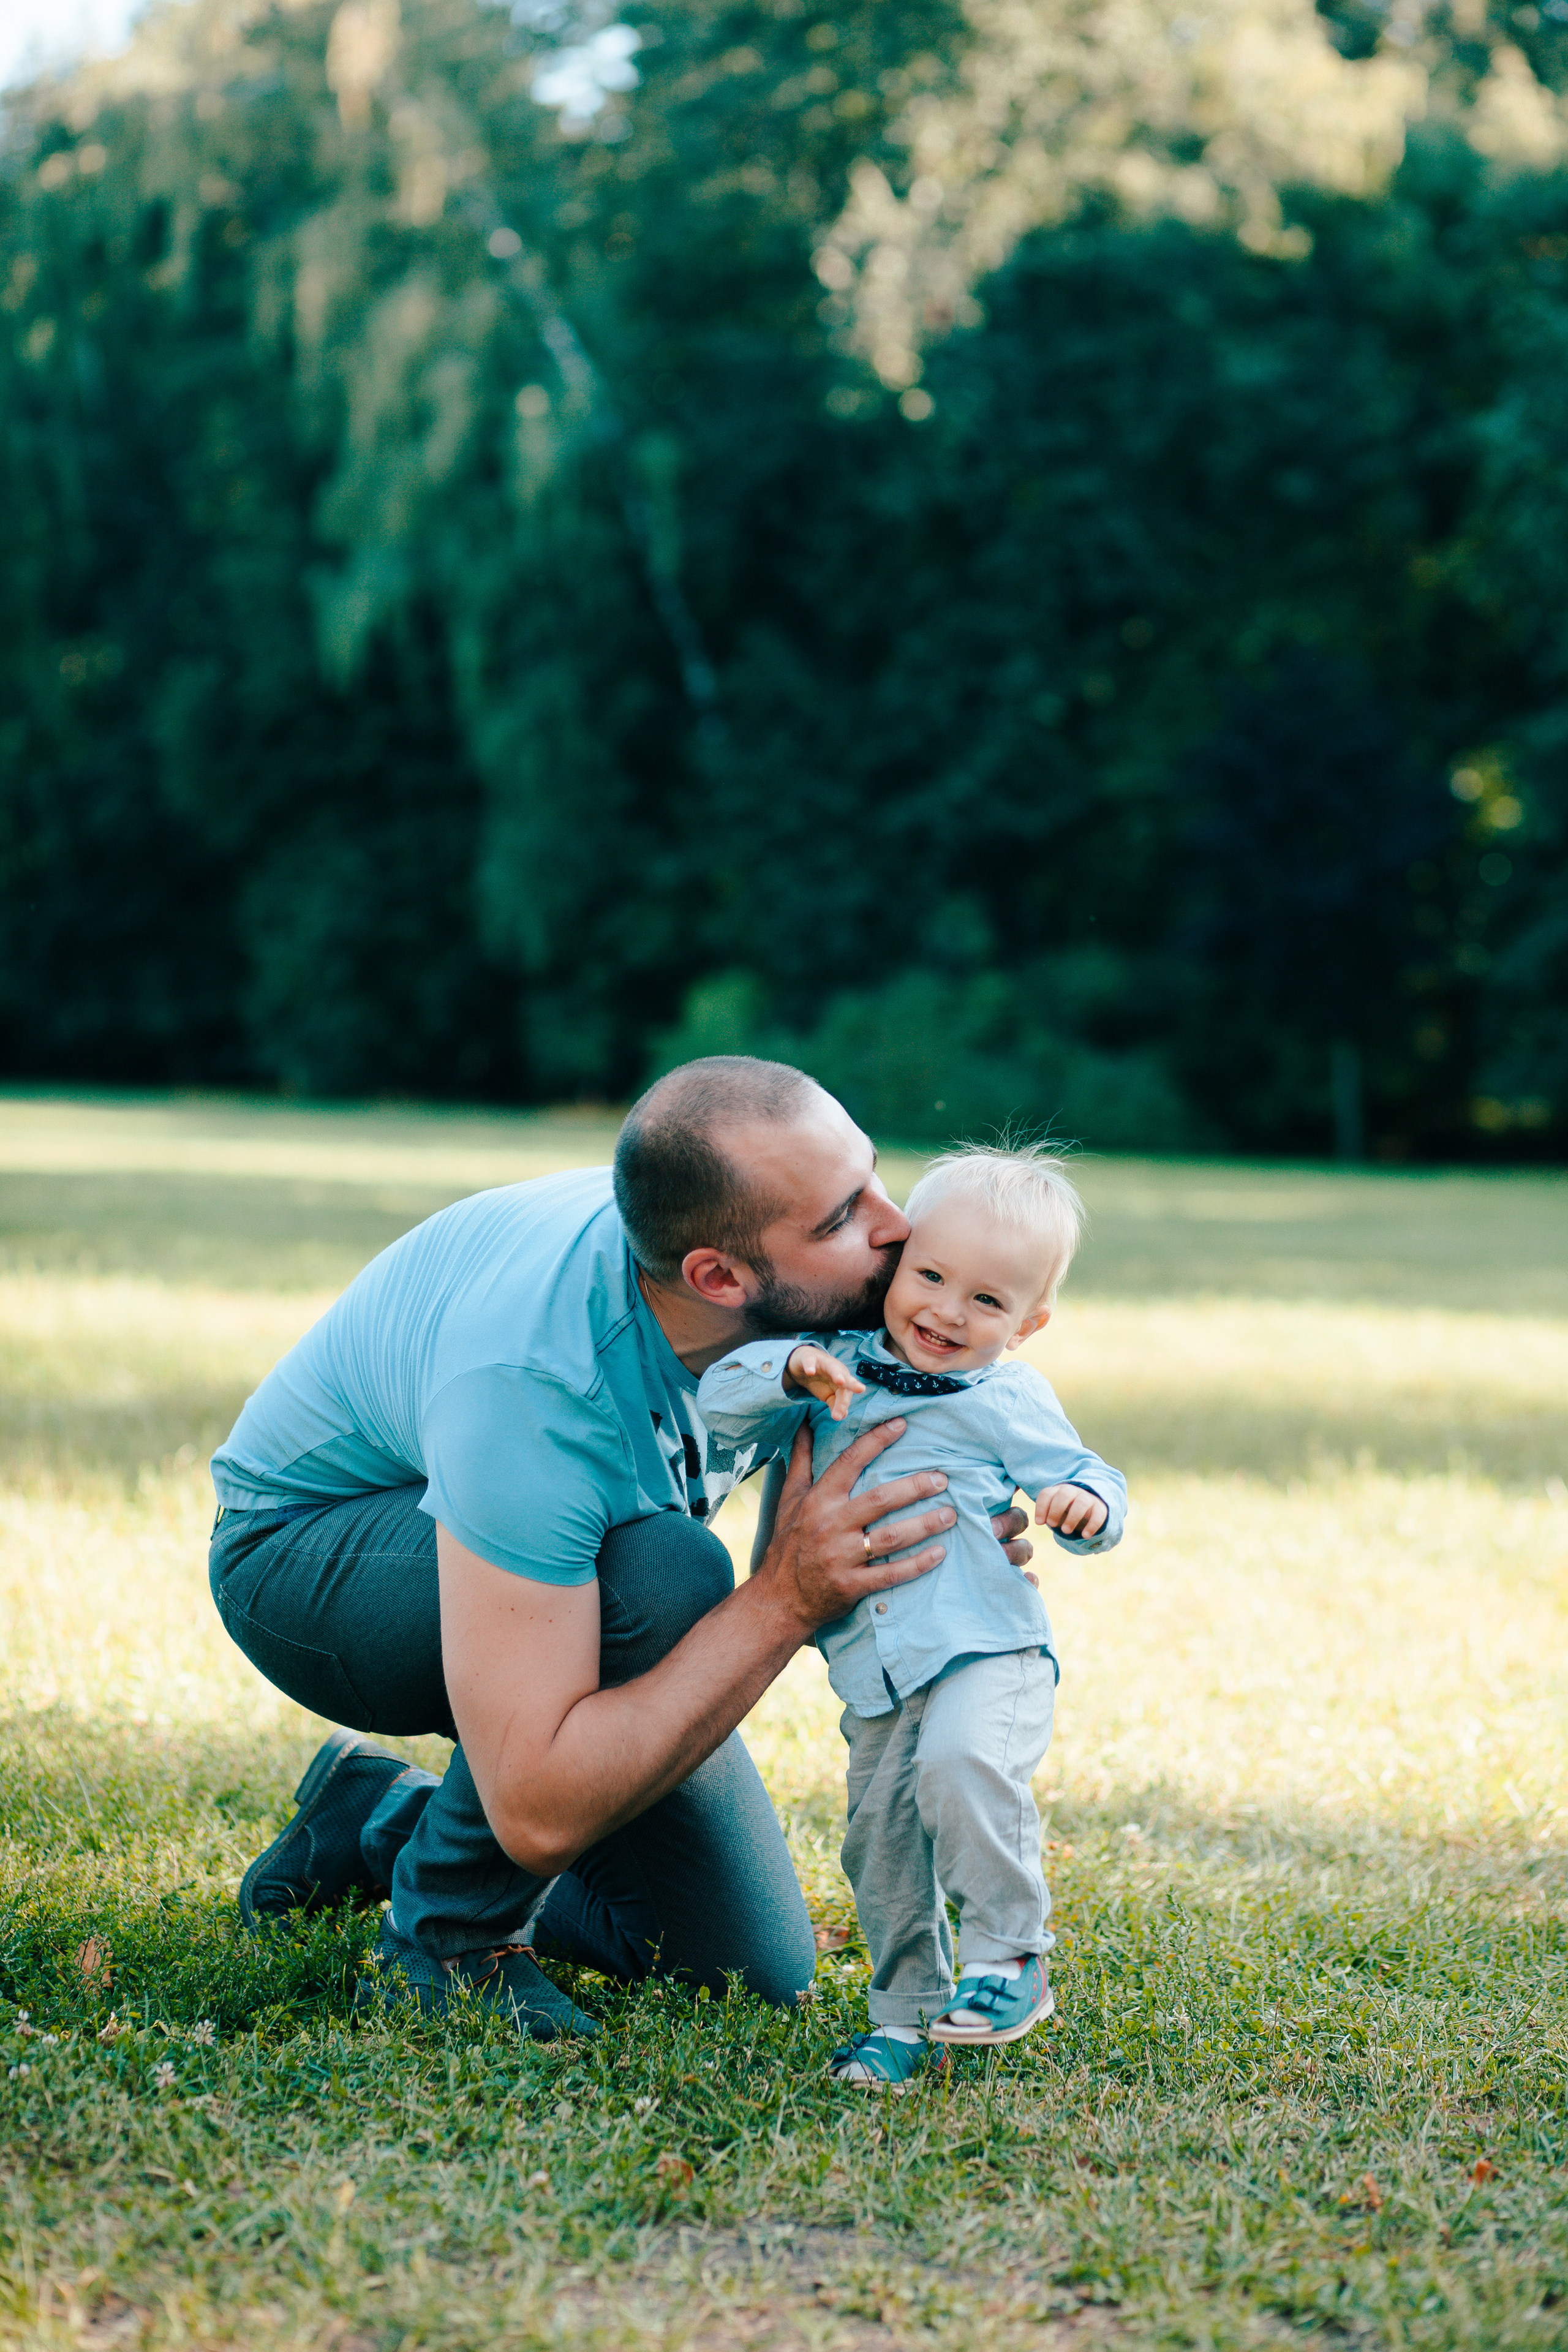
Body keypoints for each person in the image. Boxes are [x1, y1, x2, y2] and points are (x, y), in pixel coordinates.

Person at [209, 1058, 1038, 2037]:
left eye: (871, 1178)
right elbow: (537, 1814)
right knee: (666, 1571)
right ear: (718, 1278)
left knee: (744, 1966)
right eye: (840, 1218)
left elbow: (826, 1536)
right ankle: (445, 1942)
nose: (895, 1227)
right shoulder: (537, 1380)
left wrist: (923, 1533)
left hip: (548, 1552)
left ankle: (378, 1818)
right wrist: (785, 1597)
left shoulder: (814, 1308)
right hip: (311, 1559)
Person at [696, 1142, 1125, 2087]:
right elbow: (718, 1402)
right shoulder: (834, 1375)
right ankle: (903, 2018)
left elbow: (1086, 1476)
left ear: (1030, 1321)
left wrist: (1083, 1510)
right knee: (880, 1841)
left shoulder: (1004, 1394)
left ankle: (1011, 1957)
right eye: (930, 1276)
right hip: (877, 1671)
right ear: (896, 1265)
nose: (945, 1310)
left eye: (987, 1300)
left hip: (985, 1649)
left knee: (963, 1765)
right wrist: (790, 1367)